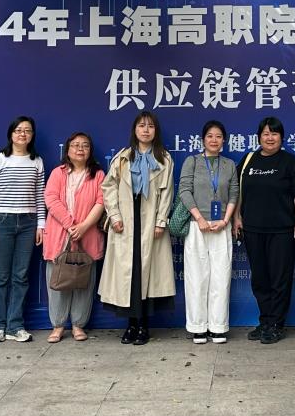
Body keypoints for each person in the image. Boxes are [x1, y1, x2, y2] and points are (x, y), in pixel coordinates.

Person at [99, 110, 176, 345]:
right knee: (129, 276)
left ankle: (144, 326)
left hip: (150, 223)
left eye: (150, 126)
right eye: (142, 126)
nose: (146, 130)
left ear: (156, 131)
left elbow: (167, 193)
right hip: (125, 223)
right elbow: (108, 188)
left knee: (147, 276)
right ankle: (130, 325)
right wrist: (114, 215)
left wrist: (161, 221)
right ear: (134, 130)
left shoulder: (163, 159)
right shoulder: (123, 158)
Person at [233, 117, 295, 344]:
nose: (270, 137)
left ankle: (276, 324)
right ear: (259, 137)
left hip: (282, 230)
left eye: (274, 133)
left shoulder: (289, 161)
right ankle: (264, 320)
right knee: (260, 278)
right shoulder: (248, 160)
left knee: (279, 279)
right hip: (252, 229)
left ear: (281, 137)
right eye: (265, 133)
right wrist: (236, 217)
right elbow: (237, 192)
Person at [0, 116, 46, 343]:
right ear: (11, 134)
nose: (22, 134)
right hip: (2, 221)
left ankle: (15, 326)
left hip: (28, 222)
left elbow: (40, 196)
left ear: (32, 135)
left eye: (27, 131)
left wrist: (41, 224)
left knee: (21, 276)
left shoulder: (37, 161)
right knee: (1, 276)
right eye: (18, 130)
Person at [179, 120, 239, 344]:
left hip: (221, 226)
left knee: (221, 278)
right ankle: (198, 327)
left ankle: (218, 327)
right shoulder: (192, 161)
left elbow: (234, 193)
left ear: (224, 140)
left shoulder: (229, 164)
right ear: (203, 139)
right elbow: (184, 191)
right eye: (210, 136)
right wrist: (199, 218)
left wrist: (225, 220)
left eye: (219, 136)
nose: (214, 140)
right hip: (197, 226)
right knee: (196, 277)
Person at [43, 132, 105, 342]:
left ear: (90, 151)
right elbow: (51, 199)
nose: (80, 149)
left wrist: (84, 226)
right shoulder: (58, 173)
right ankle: (58, 325)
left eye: (85, 145)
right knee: (57, 280)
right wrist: (70, 225)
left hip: (88, 235)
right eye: (76, 145)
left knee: (83, 282)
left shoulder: (98, 175)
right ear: (67, 150)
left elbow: (101, 202)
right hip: (60, 235)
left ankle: (79, 325)